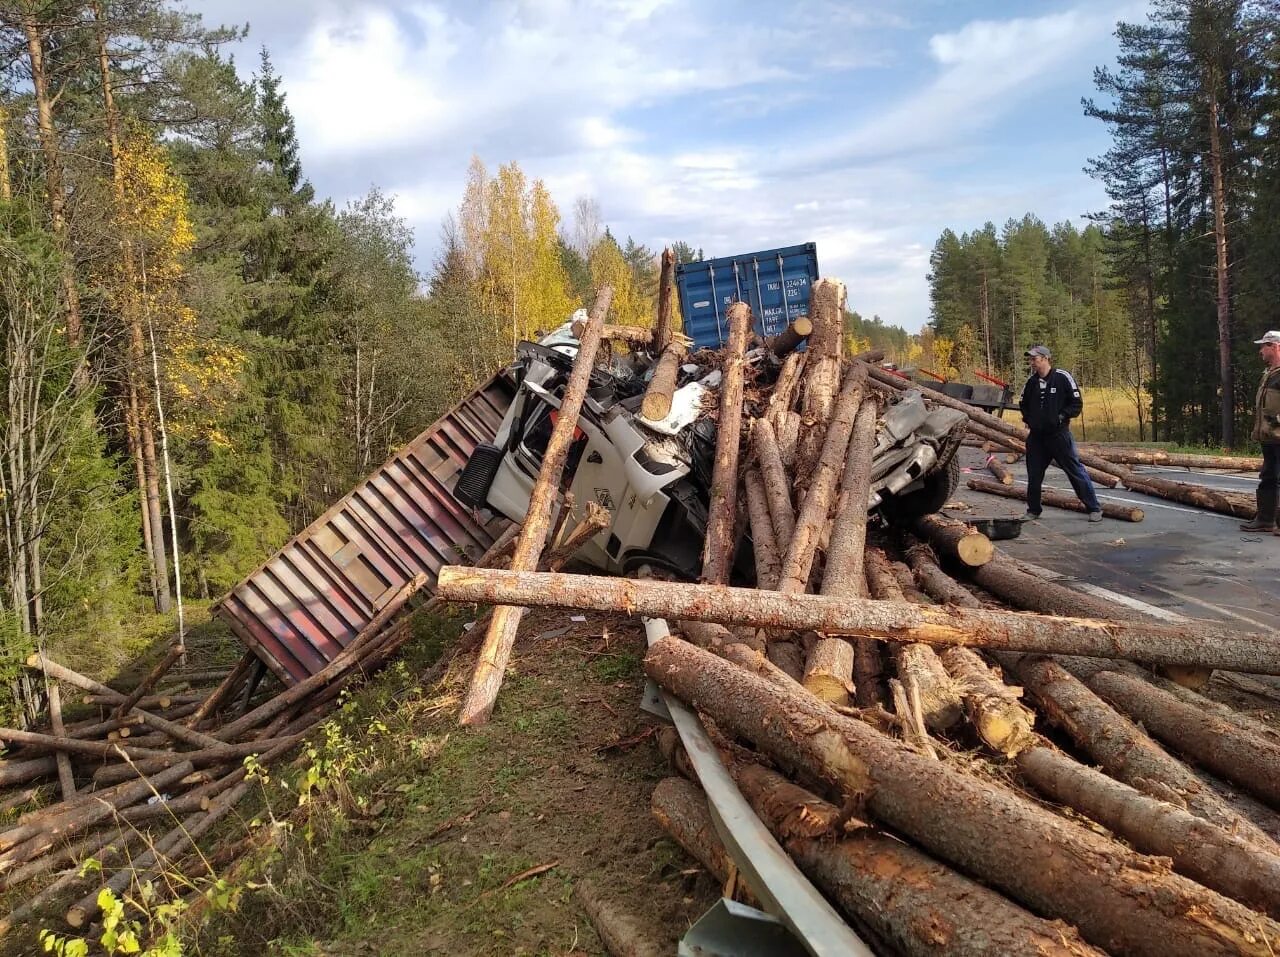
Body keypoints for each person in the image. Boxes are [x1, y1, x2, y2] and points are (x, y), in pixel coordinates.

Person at [1018, 345, 1103, 522]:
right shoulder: (1031, 382)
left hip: (1059, 435)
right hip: (1037, 438)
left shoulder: (1062, 377)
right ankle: (1033, 510)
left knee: (1074, 470)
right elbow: (1023, 403)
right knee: (1034, 475)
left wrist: (1061, 416)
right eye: (1031, 359)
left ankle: (1094, 508)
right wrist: (1029, 419)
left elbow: (1076, 403)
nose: (1032, 362)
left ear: (1045, 358)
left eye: (1035, 358)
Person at [1240, 330, 1280, 533]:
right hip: (1269, 437)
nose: (1260, 351)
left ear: (1275, 346)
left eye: (1264, 346)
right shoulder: (1269, 374)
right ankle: (1266, 519)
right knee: (1268, 477)